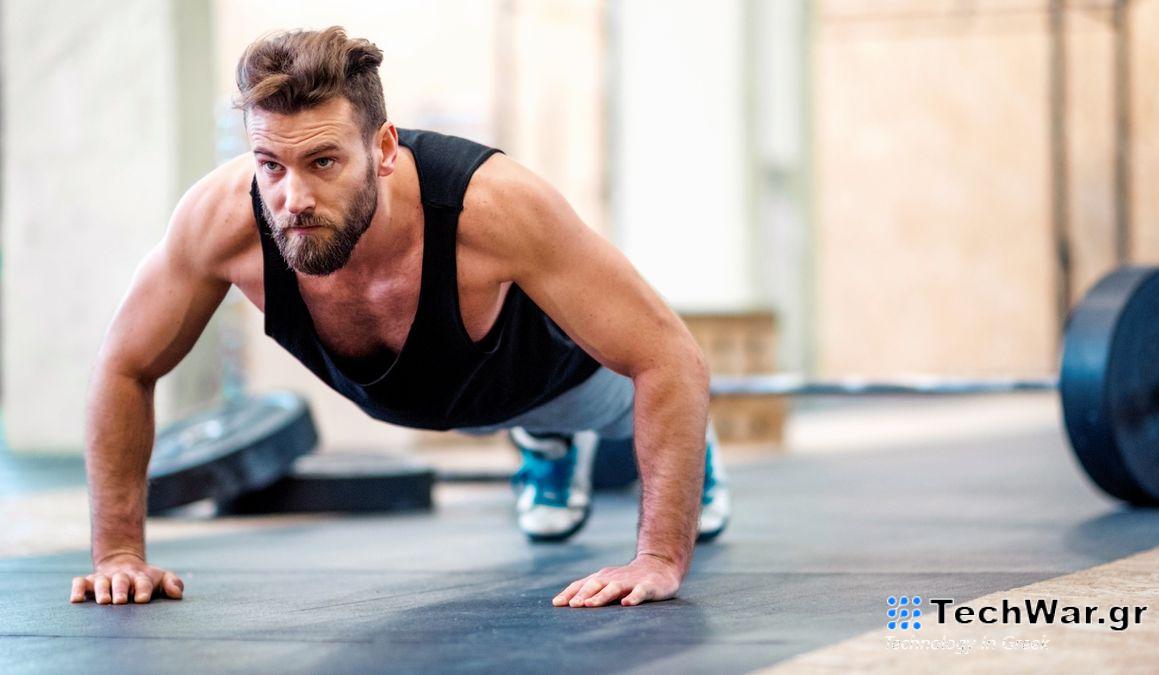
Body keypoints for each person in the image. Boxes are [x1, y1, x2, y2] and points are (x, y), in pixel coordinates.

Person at [69, 27, 729, 610]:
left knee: (620, 407)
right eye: (270, 164)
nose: (292, 198)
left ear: (383, 148)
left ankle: (643, 443)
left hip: (556, 380)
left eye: (324, 161)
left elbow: (670, 357)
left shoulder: (494, 204)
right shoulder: (221, 221)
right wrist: (119, 553)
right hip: (414, 398)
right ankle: (546, 445)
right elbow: (126, 364)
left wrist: (658, 556)